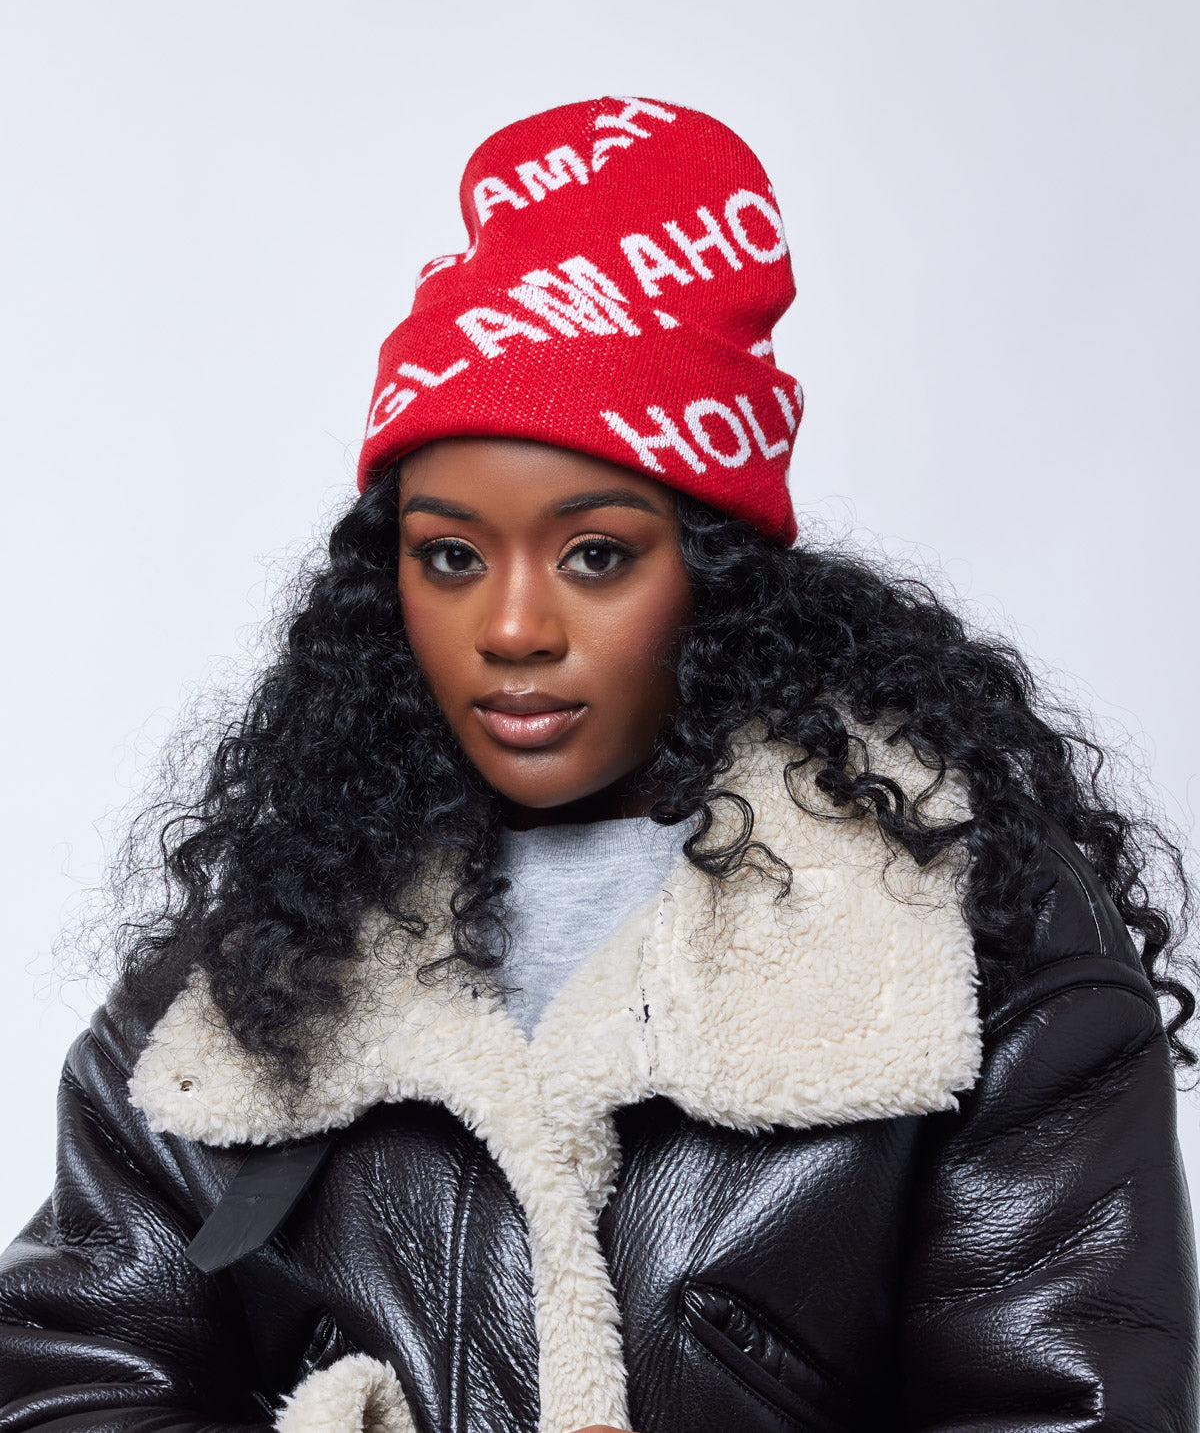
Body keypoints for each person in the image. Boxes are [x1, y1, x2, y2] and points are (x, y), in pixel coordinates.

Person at [0, 95, 1196, 1433]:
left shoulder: (967, 947)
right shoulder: (257, 971)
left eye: (596, 556)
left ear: (719, 573)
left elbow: (1069, 1410)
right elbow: (72, 1384)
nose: (512, 628)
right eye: (449, 556)